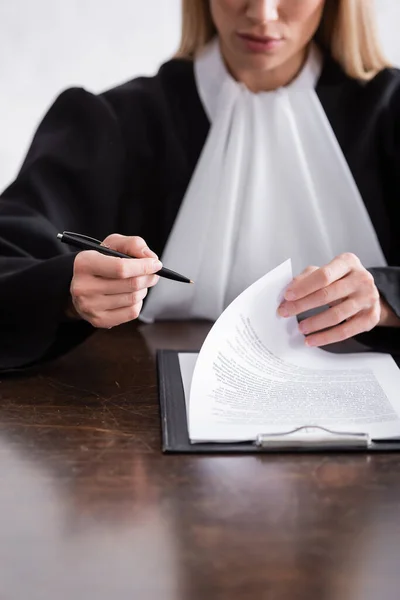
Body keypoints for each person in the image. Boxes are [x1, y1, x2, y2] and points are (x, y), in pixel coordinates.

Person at [1, 0, 400, 372]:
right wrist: (65, 291)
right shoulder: (110, 122)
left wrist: (385, 298)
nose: (262, 13)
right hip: (136, 417)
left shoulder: (392, 114)